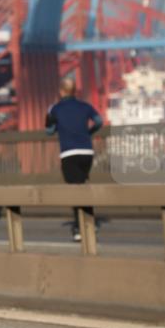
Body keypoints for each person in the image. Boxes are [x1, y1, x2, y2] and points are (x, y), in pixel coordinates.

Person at [46, 77, 103, 242]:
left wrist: (54, 122)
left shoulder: (55, 108)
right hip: (87, 152)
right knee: (83, 186)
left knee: (74, 190)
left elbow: (49, 131)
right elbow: (99, 121)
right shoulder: (85, 106)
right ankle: (90, 221)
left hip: (69, 153)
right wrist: (88, 133)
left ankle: (79, 227)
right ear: (74, 91)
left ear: (61, 91)